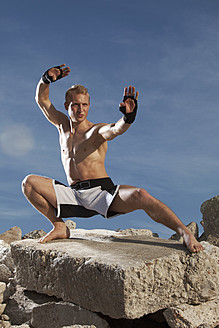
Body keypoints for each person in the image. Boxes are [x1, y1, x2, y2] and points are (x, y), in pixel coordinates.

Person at [22, 64, 203, 252]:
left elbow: (115, 129)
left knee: (141, 195)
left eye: (84, 105)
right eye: (76, 105)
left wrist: (128, 118)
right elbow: (41, 99)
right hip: (74, 194)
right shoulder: (62, 126)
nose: (80, 109)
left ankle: (185, 233)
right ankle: (59, 226)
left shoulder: (95, 131)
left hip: (101, 193)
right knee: (29, 183)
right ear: (67, 106)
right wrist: (46, 79)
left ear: (89, 106)